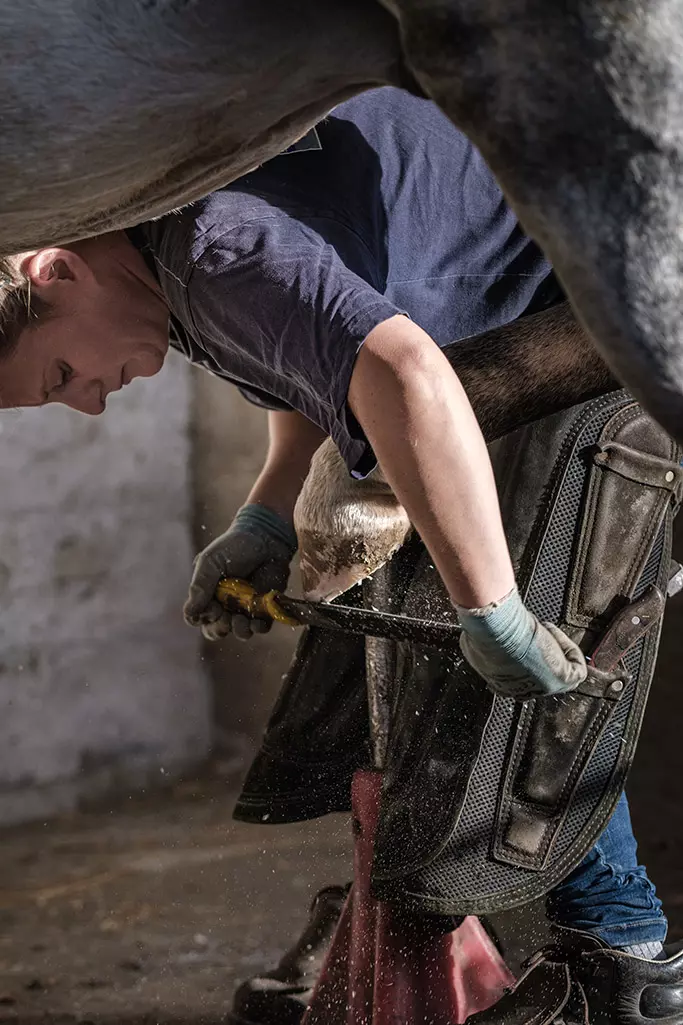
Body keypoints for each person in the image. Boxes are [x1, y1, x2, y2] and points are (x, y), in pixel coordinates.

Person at [0, 86, 675, 1022]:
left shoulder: (210, 258)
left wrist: (493, 610)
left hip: (599, 286)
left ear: (53, 271)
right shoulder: (166, 262)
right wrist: (267, 513)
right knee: (407, 563)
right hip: (521, 302)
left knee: (509, 615)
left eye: (60, 375)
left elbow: (403, 374)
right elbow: (315, 356)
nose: (87, 402)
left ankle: (623, 967)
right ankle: (405, 904)